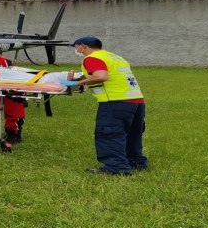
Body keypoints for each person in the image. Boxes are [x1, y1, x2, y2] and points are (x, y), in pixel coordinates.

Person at [59, 36, 148, 175]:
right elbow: (109, 76)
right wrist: (79, 78)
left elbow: (101, 76)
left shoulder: (91, 58)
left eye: (76, 47)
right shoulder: (114, 57)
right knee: (133, 134)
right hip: (136, 101)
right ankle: (136, 162)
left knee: (110, 133)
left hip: (115, 101)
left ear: (83, 46)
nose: (76, 50)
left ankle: (116, 167)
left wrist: (76, 83)